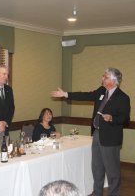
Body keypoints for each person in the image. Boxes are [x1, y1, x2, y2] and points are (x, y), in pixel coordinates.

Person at [51, 67, 130, 196]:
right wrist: (66, 94)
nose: (102, 79)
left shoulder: (123, 98)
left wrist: (112, 118)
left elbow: (125, 119)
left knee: (112, 172)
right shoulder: (101, 91)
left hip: (110, 139)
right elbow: (85, 95)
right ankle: (97, 193)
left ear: (114, 80)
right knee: (97, 168)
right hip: (97, 134)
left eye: (105, 77)